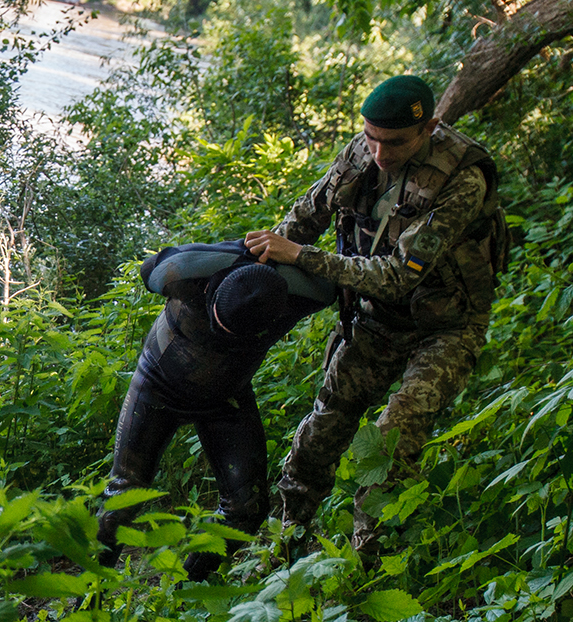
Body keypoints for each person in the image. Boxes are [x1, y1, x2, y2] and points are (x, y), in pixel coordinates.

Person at [244, 75, 505, 556]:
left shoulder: (462, 179)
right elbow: (309, 214)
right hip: (376, 319)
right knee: (322, 429)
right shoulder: (361, 154)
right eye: (371, 137)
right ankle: (284, 541)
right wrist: (262, 256)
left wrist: (300, 256)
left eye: (395, 142)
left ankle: (365, 560)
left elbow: (398, 275)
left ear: (429, 128)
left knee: (393, 437)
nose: (380, 153)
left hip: (444, 327)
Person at [97, 241, 335, 581]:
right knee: (124, 494)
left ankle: (182, 587)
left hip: (227, 397)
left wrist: (296, 253)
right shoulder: (183, 271)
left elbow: (341, 279)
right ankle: (89, 594)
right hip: (156, 386)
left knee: (247, 510)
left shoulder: (306, 293)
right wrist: (233, 251)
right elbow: (147, 268)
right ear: (209, 291)